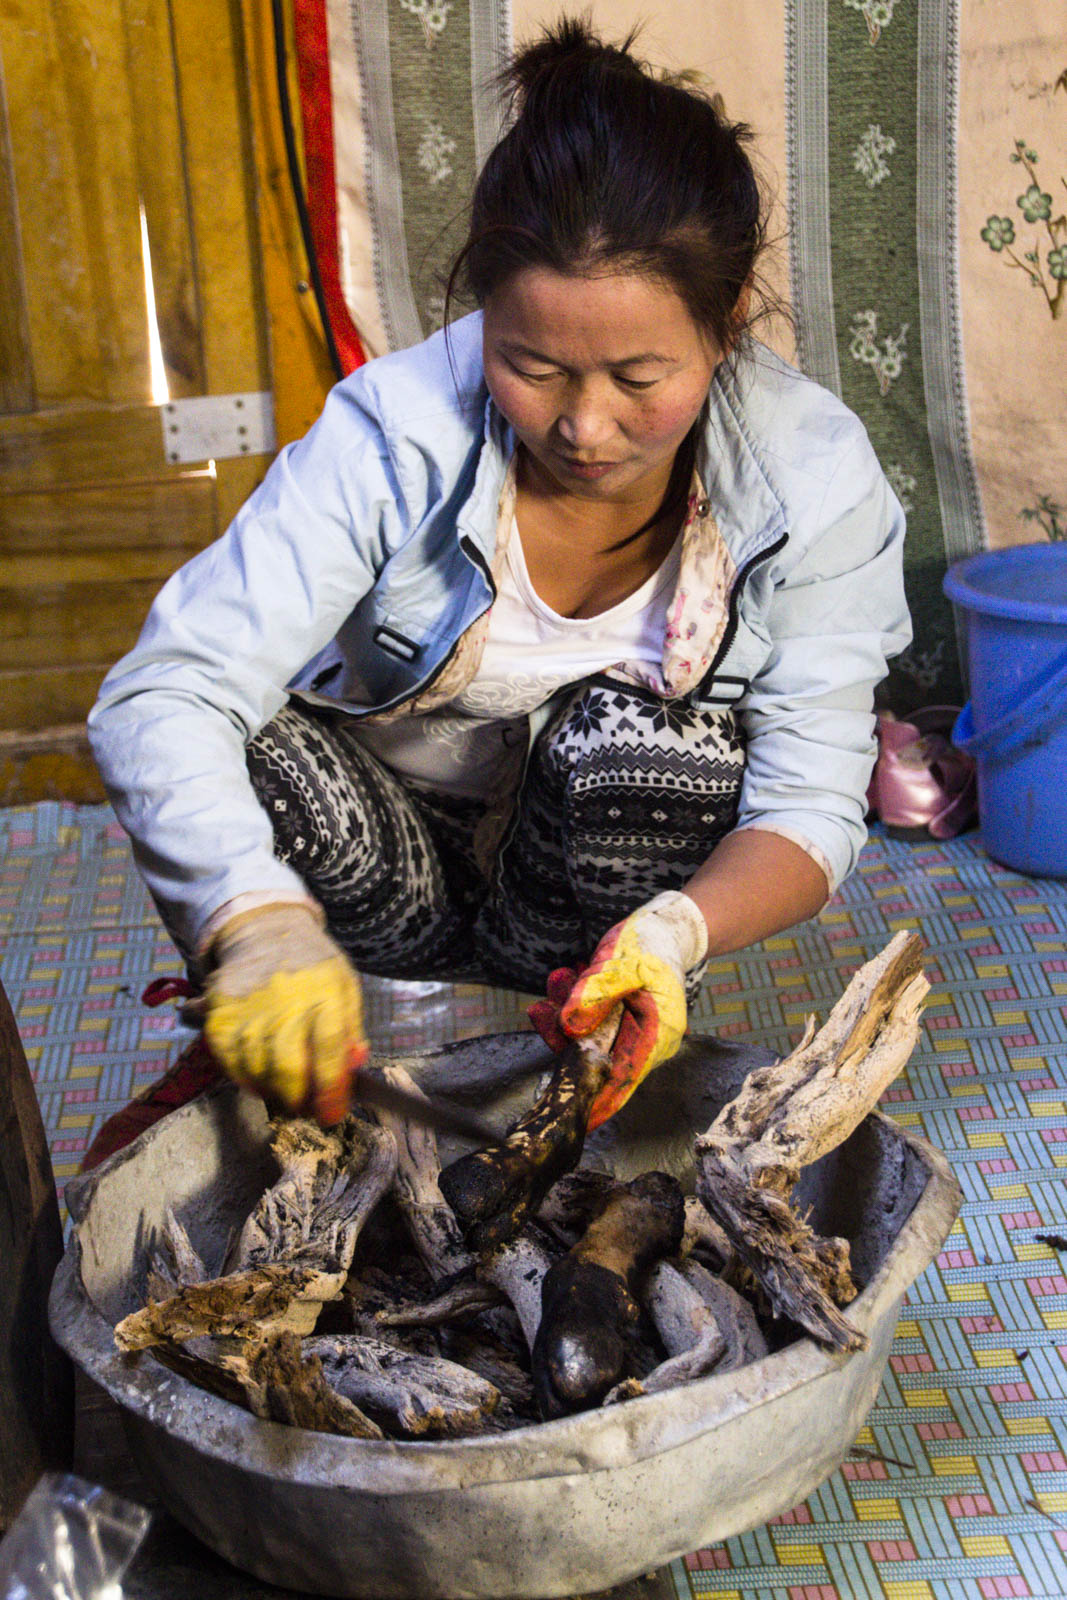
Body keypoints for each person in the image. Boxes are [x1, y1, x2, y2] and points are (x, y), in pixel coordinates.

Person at [83, 17, 910, 1166]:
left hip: (584, 894)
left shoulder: (809, 473)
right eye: (532, 366)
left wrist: (674, 933)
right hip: (384, 857)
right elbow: (164, 689)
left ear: (723, 330)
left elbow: (809, 804)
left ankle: (559, 1063)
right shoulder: (393, 431)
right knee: (247, 742)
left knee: (657, 749)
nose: (584, 426)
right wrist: (254, 919)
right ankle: (273, 1040)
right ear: (482, 316)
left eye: (638, 376)